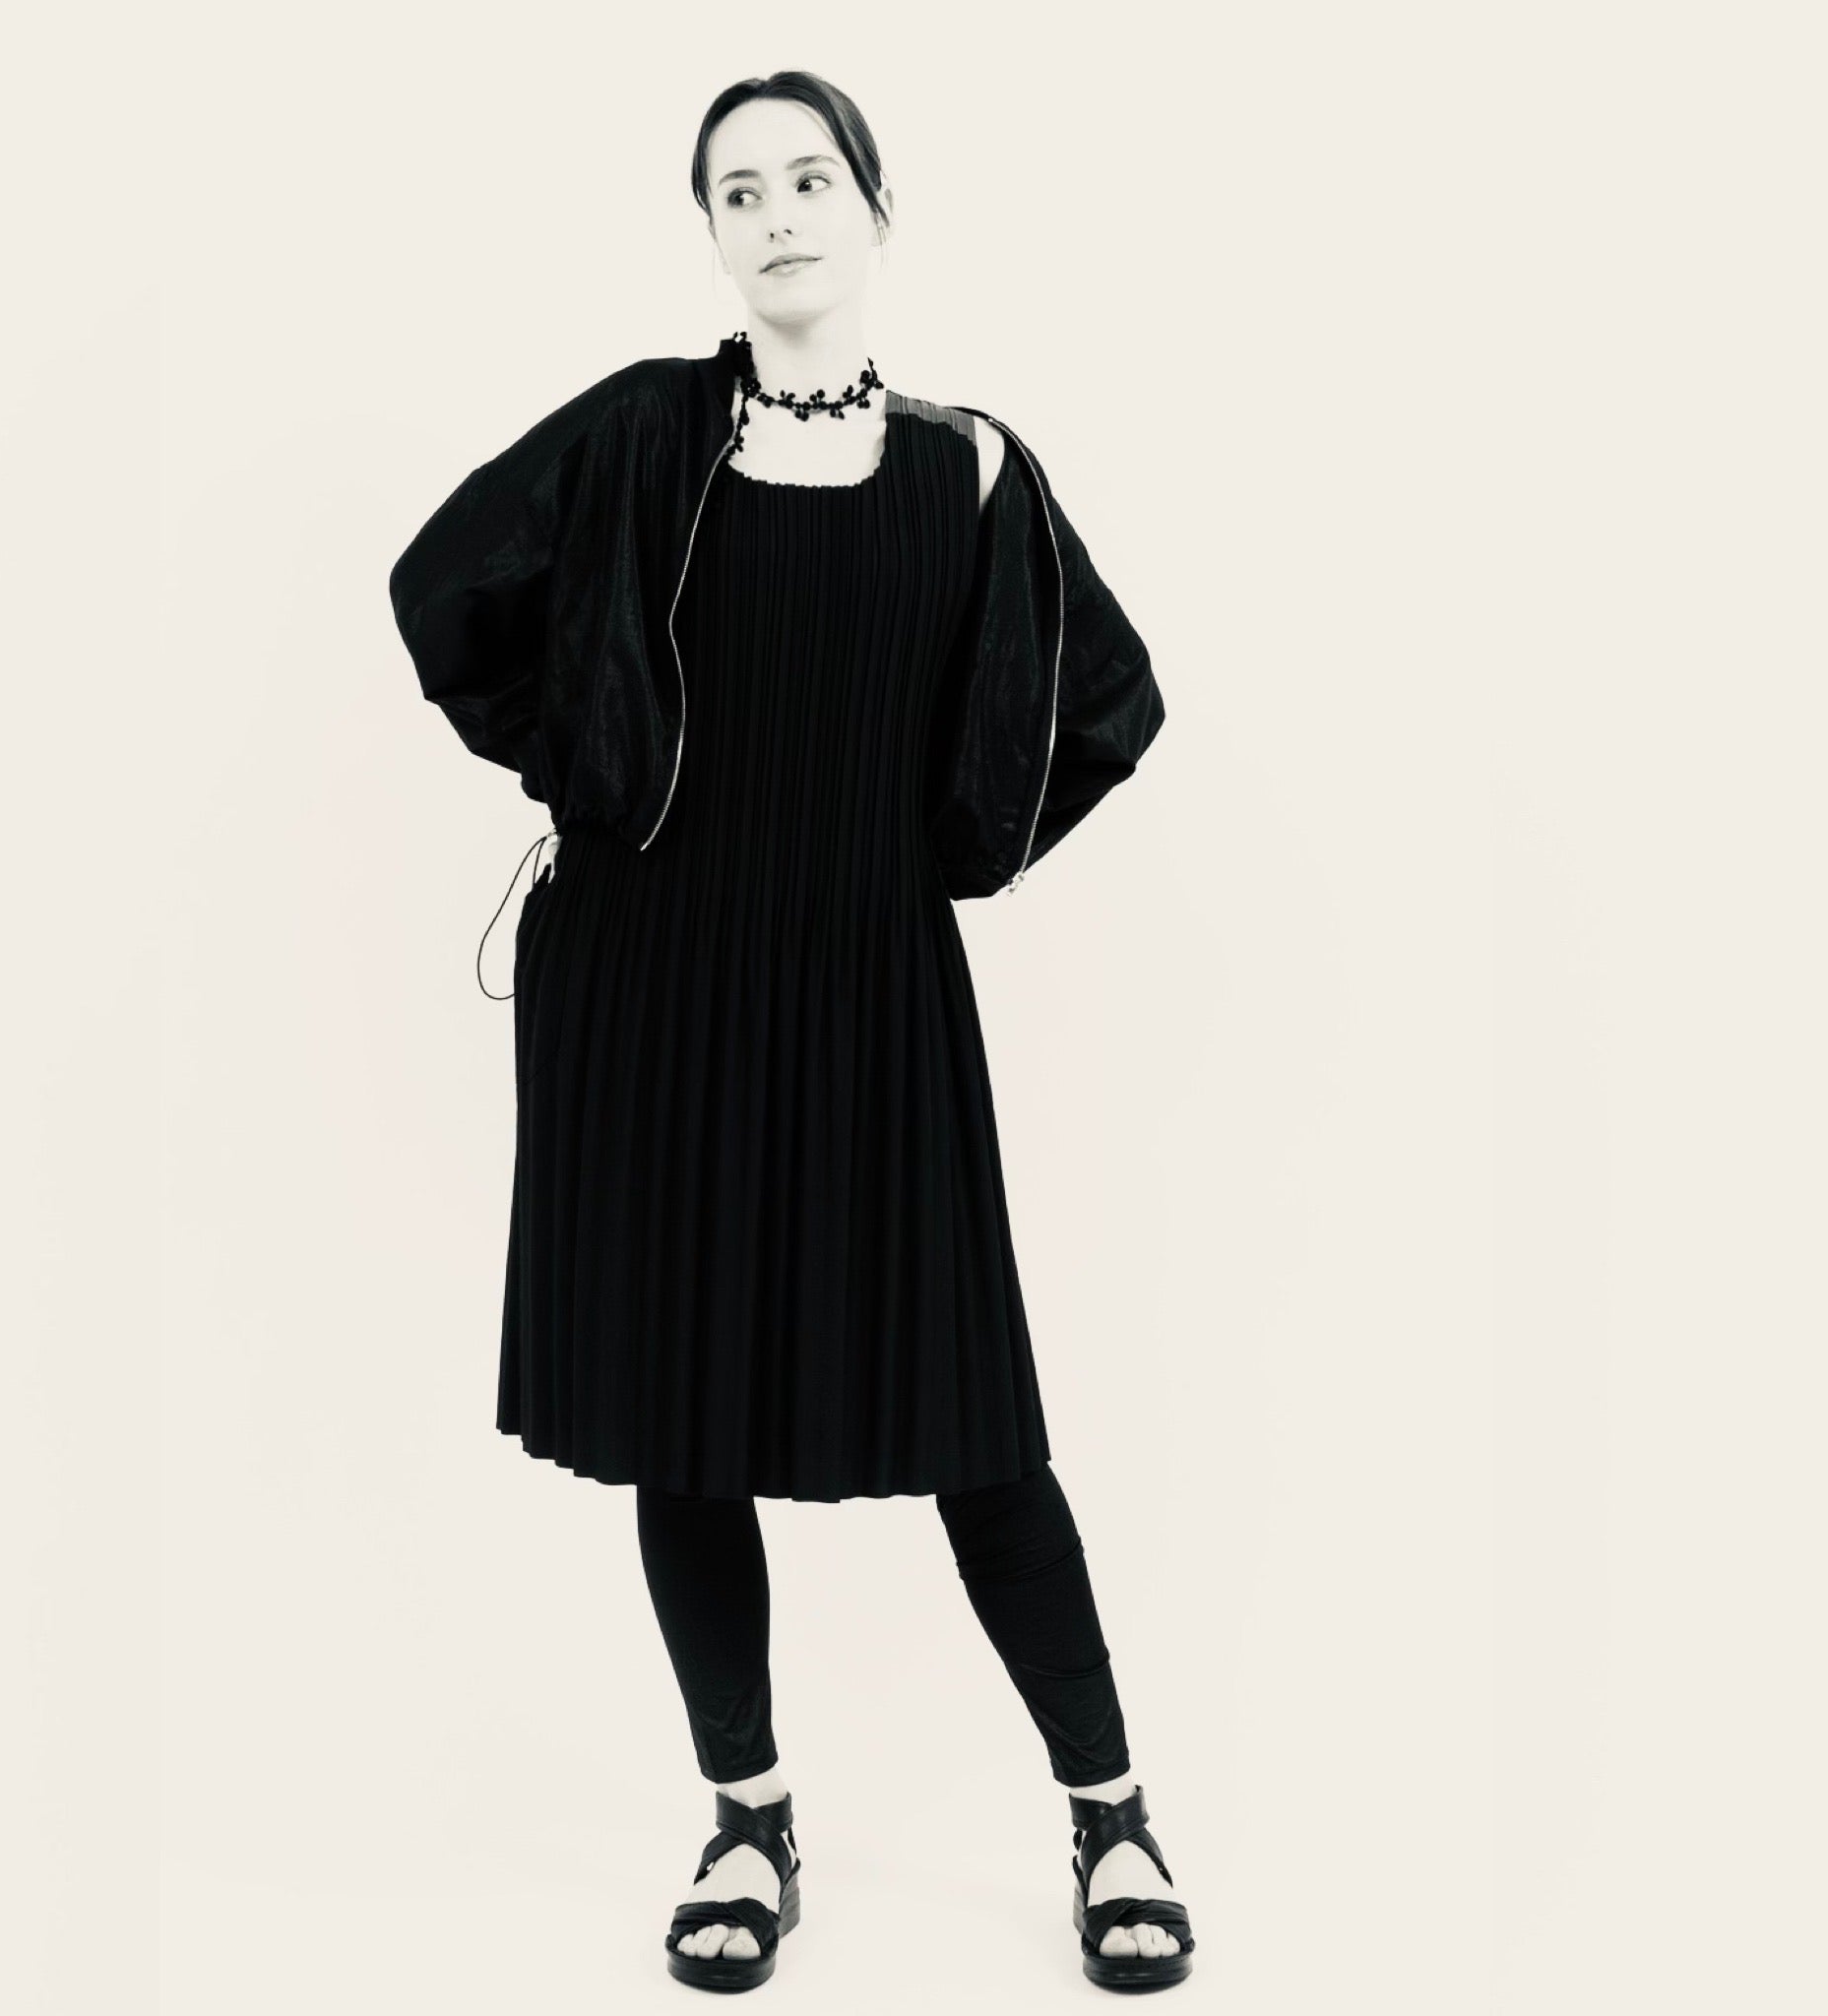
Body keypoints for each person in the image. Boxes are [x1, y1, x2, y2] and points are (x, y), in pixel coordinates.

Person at [388, 70, 1193, 1995]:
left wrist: (956, 846)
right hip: (647, 985)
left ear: (875, 208)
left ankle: (1112, 1812)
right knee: (682, 1421)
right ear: (711, 232)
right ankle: (746, 1817)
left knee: (976, 1427)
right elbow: (441, 590)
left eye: (808, 178)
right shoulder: (641, 431)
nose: (776, 214)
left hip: (869, 987)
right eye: (736, 190)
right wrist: (591, 769)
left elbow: (1109, 701)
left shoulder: (973, 472)